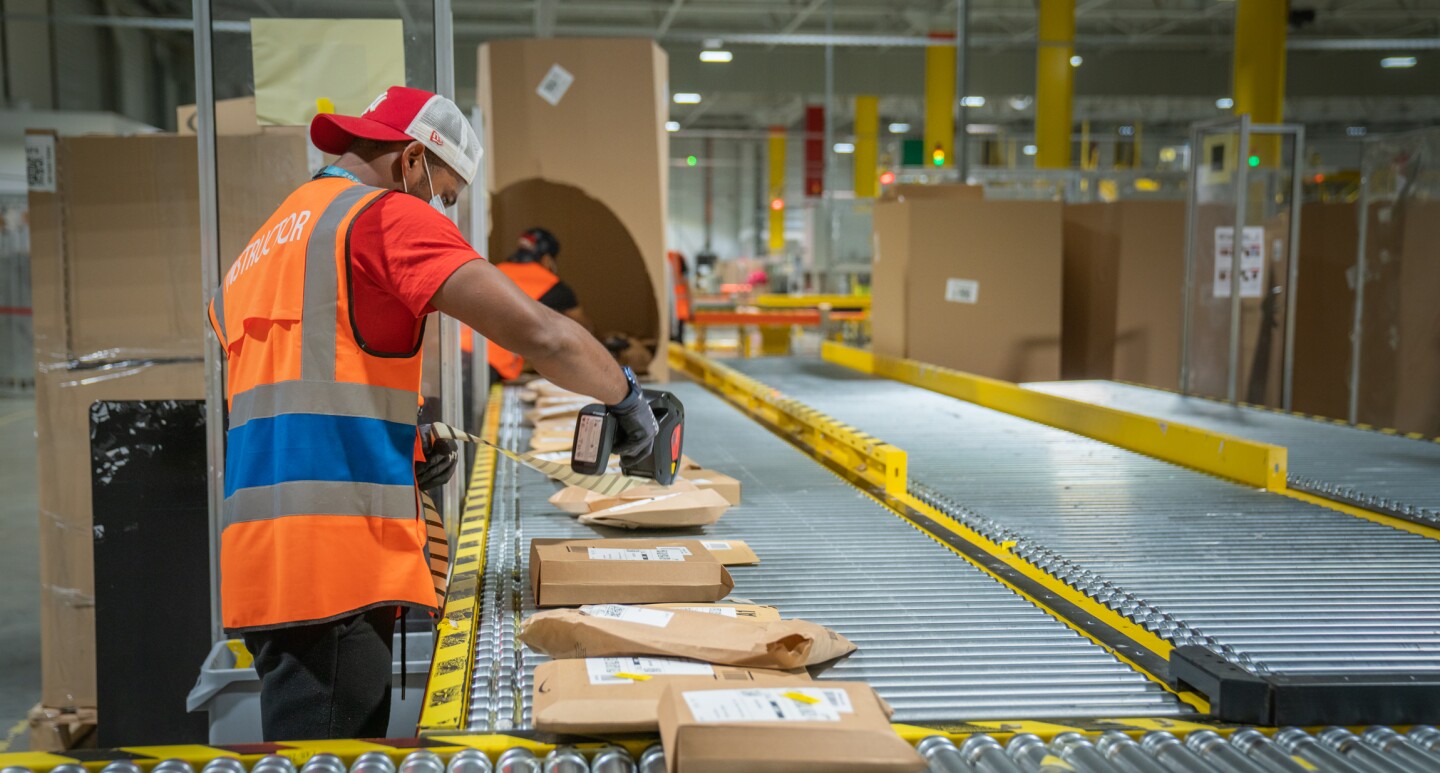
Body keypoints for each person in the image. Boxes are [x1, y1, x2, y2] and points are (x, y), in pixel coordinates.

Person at [205, 86, 658, 741]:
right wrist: (626, 397)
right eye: (445, 193)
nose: (441, 210)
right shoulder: (380, 215)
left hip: (264, 555)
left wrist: (400, 443)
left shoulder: (264, 243)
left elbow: (297, 389)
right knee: (337, 752)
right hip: (336, 560)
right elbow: (541, 334)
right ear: (412, 159)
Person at [486, 227, 593, 383]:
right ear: (547, 260)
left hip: (456, 355)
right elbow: (585, 328)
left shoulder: (494, 271)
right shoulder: (553, 286)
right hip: (495, 364)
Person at [667, 250, 692, 343]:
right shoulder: (678, 279)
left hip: (678, 312)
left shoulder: (676, 279)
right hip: (679, 312)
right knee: (678, 339)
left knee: (677, 339)